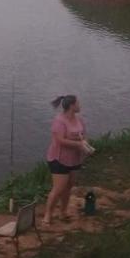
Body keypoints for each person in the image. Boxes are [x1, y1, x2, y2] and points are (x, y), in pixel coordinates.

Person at [44, 94, 91, 225]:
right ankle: (48, 215)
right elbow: (60, 140)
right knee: (58, 188)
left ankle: (63, 212)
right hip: (59, 159)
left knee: (68, 187)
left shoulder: (79, 120)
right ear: (72, 106)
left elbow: (84, 136)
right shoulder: (59, 121)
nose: (80, 105)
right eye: (78, 103)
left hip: (75, 159)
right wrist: (78, 144)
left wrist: (86, 146)